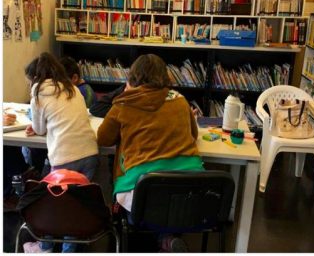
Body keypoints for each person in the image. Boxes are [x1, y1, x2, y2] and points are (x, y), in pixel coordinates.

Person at [97, 54, 204, 252]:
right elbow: (194, 134)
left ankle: (158, 236)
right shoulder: (180, 100)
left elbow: (103, 139)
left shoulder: (123, 103)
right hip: (188, 188)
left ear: (132, 77)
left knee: (144, 197)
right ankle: (167, 238)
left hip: (142, 189)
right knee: (166, 200)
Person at [22, 52, 99, 253]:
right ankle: (69, 249)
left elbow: (39, 129)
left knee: (56, 206)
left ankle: (45, 246)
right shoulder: (73, 88)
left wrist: (38, 125)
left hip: (65, 157)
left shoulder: (39, 93)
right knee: (75, 206)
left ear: (35, 77)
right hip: (90, 154)